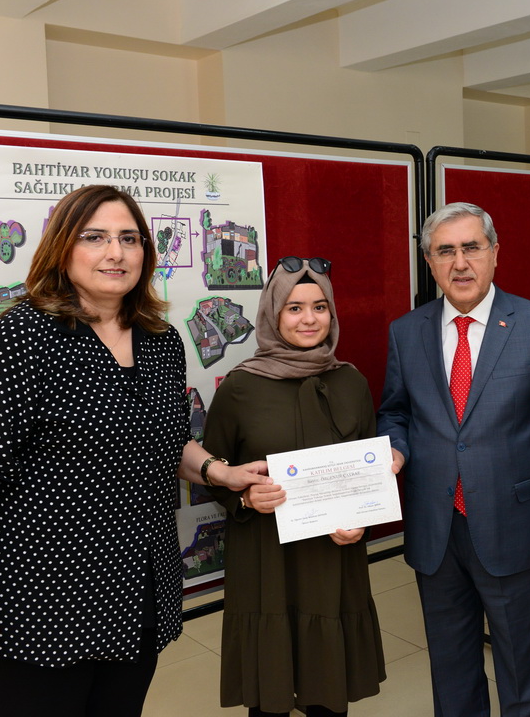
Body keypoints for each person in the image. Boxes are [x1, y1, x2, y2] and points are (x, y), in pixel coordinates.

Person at [0, 185, 274, 717]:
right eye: (94, 237)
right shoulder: (20, 337)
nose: (115, 252)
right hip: (39, 596)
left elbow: (168, 441)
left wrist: (221, 473)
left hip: (135, 588)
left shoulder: (161, 340)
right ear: (62, 247)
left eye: (129, 238)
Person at [377, 202, 530, 717]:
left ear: (494, 253)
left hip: (516, 528)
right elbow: (395, 411)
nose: (460, 262)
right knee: (451, 667)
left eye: (472, 247)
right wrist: (395, 446)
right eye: (445, 251)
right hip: (436, 528)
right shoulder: (407, 331)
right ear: (430, 262)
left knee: (524, 669)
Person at [202, 257, 385, 717]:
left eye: (320, 307)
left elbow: (367, 470)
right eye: (295, 308)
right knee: (271, 693)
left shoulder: (352, 381)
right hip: (267, 556)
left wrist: (361, 519)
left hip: (333, 554)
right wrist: (245, 496)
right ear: (273, 313)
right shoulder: (240, 387)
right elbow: (214, 470)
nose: (309, 319)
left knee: (330, 692)